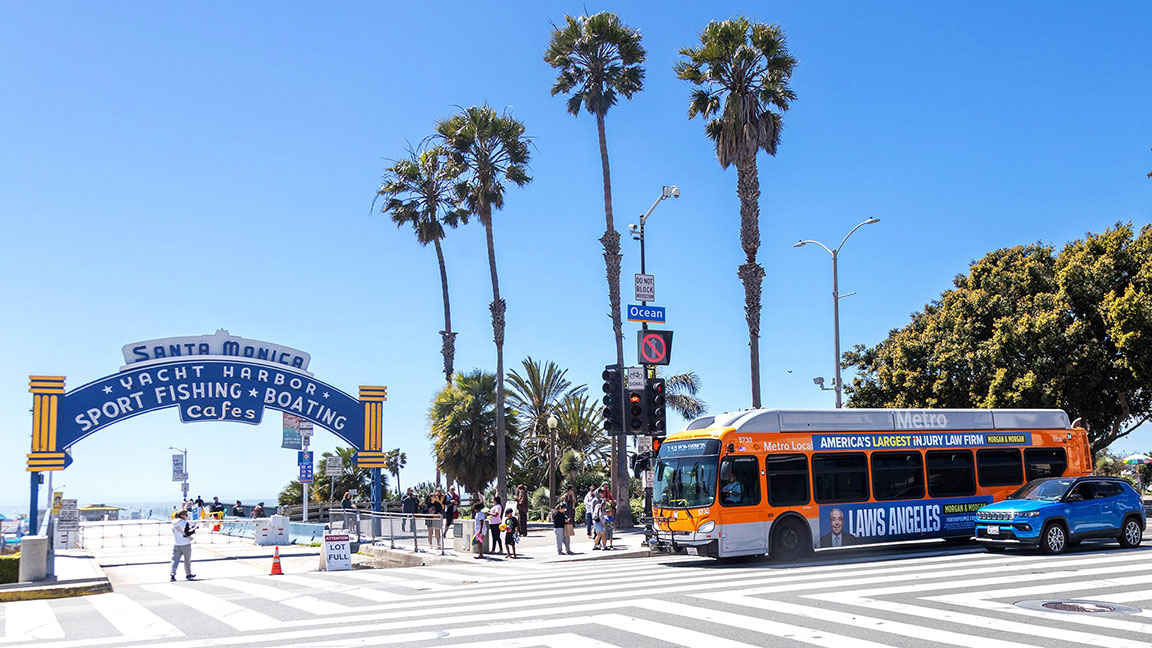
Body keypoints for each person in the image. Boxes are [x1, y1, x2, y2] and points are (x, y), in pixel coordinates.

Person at [170, 509, 197, 582]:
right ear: (182, 516)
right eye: (186, 515)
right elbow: (187, 533)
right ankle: (188, 574)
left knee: (174, 560)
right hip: (185, 544)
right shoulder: (184, 523)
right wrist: (194, 529)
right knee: (187, 560)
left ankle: (172, 575)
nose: (187, 516)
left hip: (176, 543)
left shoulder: (173, 523)